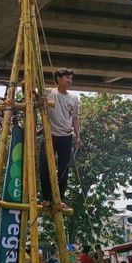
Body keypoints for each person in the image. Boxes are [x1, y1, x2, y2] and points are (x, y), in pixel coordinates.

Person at [37, 68, 80, 203]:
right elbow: (29, 91)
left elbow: (75, 119)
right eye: (67, 77)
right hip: (50, 135)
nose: (70, 81)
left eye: (71, 78)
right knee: (44, 166)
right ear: (59, 79)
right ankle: (46, 198)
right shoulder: (49, 93)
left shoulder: (73, 98)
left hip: (66, 136)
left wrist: (78, 136)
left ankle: (60, 199)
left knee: (63, 169)